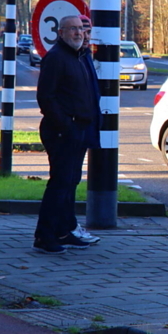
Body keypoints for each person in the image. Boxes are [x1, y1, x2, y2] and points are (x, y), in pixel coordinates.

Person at [33, 15, 97, 254]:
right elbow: (46, 97)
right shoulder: (56, 58)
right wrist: (65, 126)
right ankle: (44, 236)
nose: (79, 33)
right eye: (73, 29)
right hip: (62, 132)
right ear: (60, 32)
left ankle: (63, 231)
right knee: (59, 185)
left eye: (81, 29)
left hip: (77, 129)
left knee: (70, 184)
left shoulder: (78, 56)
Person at [69, 14, 102, 244]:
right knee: (66, 182)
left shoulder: (85, 56)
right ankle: (67, 228)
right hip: (71, 130)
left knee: (73, 180)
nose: (86, 37)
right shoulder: (72, 58)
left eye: (88, 33)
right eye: (83, 32)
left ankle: (69, 227)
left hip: (83, 128)